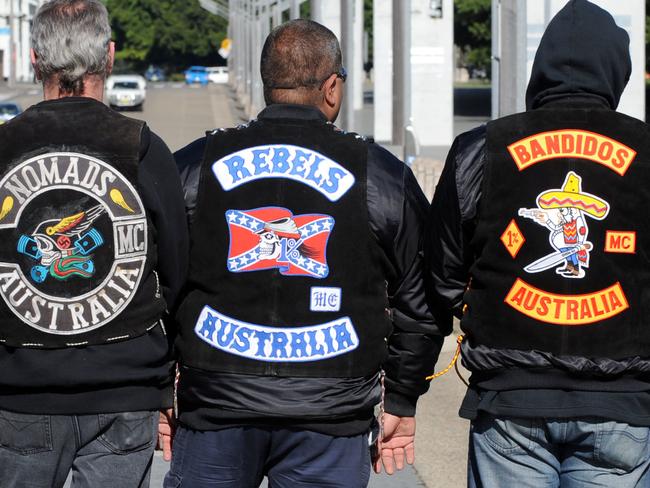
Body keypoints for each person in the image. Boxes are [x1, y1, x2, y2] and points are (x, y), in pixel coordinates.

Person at [165, 19, 446, 488]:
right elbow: (422, 301)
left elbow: (157, 285)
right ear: (331, 87)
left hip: (216, 407)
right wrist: (401, 397)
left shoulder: (197, 165)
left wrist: (161, 387)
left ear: (266, 83)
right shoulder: (379, 175)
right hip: (331, 418)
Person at [425, 1, 650, 486]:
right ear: (617, 72)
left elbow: (437, 278)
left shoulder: (480, 149)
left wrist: (405, 387)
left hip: (510, 405)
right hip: (623, 409)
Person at [0, 1, 188, 487]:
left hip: (18, 394)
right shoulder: (142, 146)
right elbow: (178, 270)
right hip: (125, 391)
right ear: (109, 55)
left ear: (36, 59)